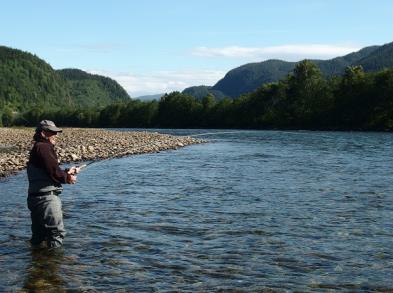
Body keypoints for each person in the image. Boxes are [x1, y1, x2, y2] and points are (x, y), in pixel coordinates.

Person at [27, 120, 80, 248]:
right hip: (47, 200)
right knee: (56, 234)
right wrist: (67, 178)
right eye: (52, 132)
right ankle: (54, 266)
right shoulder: (44, 147)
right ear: (43, 133)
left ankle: (37, 264)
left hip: (35, 198)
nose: (56, 135)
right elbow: (53, 171)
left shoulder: (37, 147)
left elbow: (48, 170)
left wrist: (67, 171)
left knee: (39, 237)